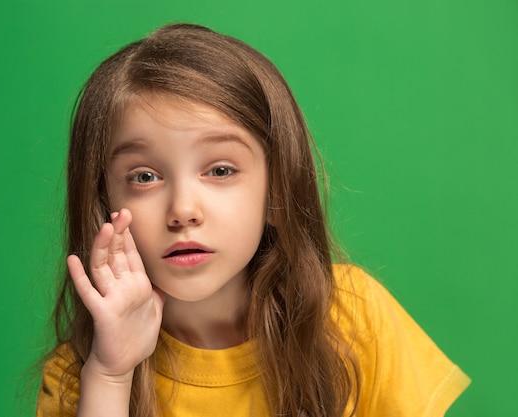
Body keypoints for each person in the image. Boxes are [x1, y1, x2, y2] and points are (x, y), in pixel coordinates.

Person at [36, 23, 470, 417]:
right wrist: (111, 376)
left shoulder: (353, 320)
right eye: (145, 177)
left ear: (278, 186)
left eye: (220, 170)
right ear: (103, 201)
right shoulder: (83, 376)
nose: (183, 210)